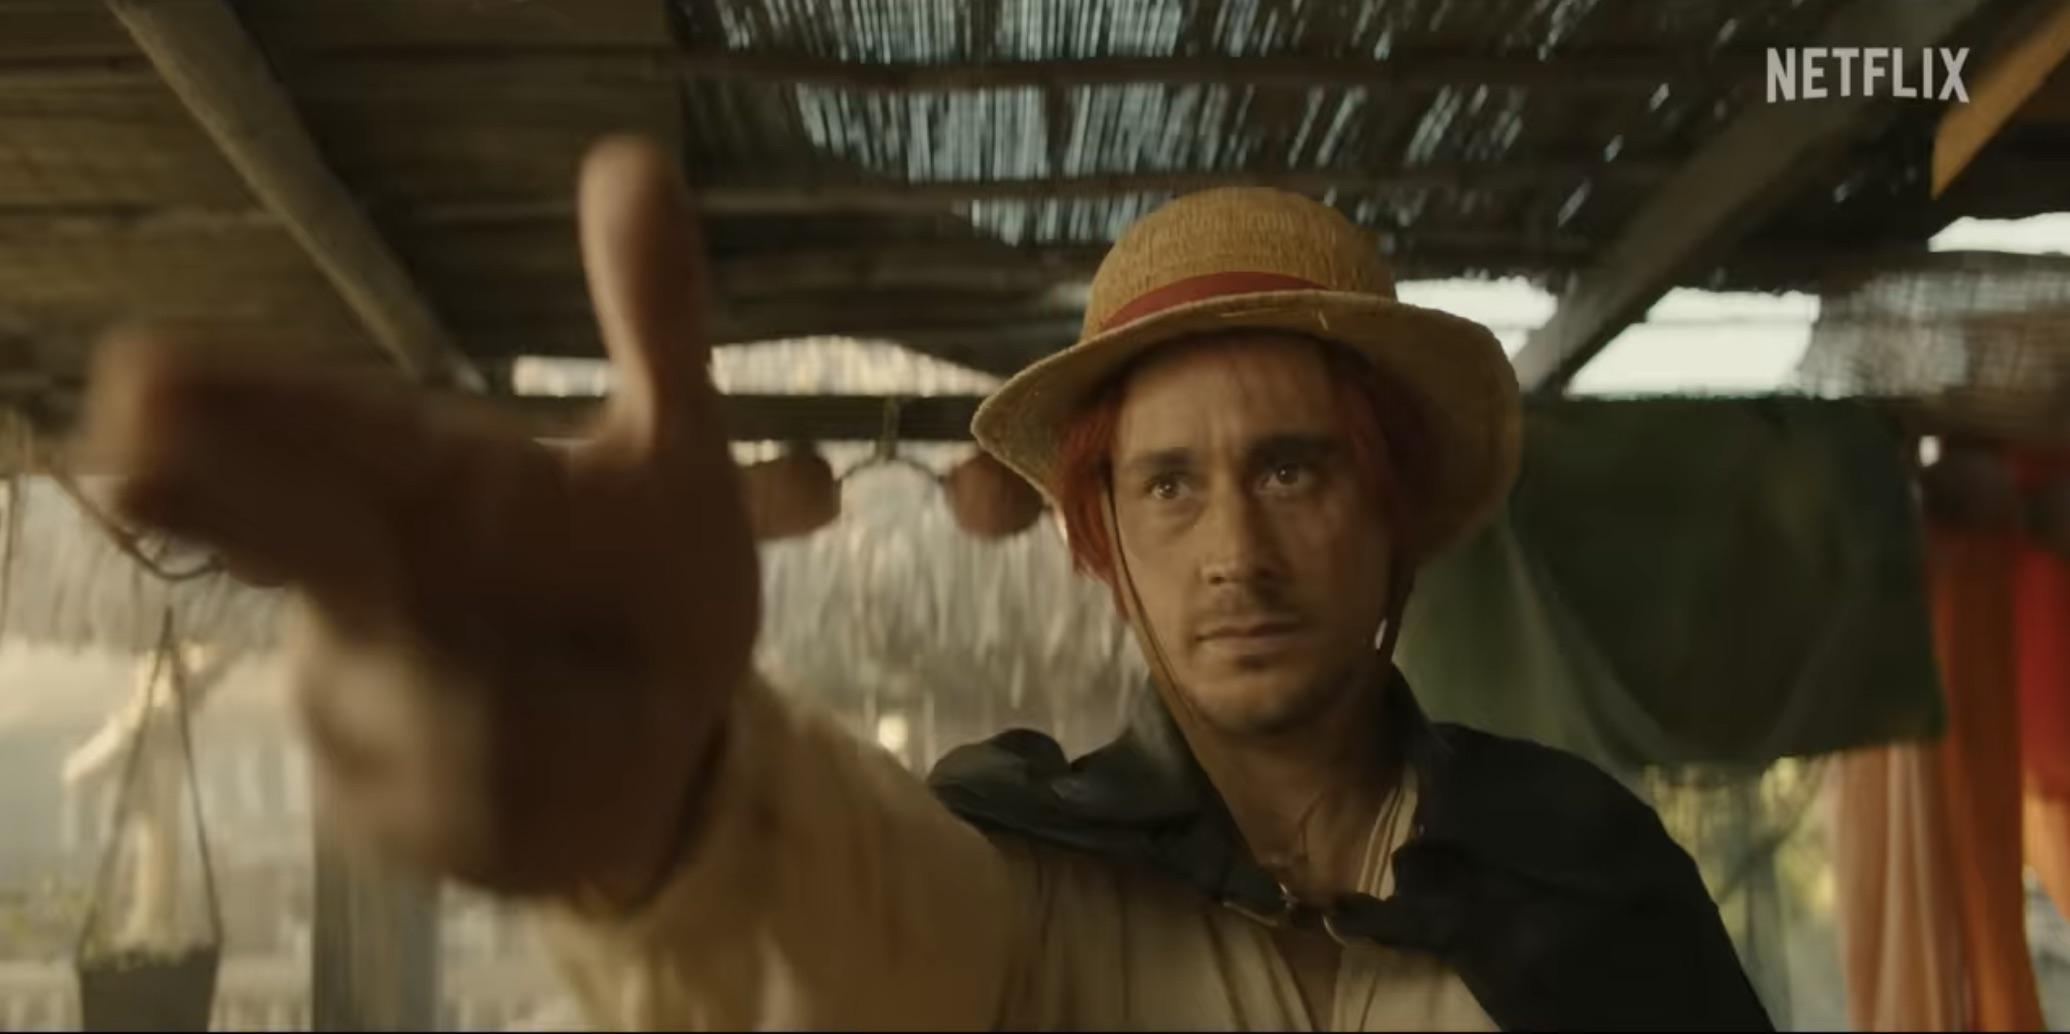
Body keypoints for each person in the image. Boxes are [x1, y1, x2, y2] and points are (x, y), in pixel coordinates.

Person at [79, 136, 1770, 1031]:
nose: (1233, 552)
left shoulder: (1585, 874)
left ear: (1390, 511)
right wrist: (665, 800)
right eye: (1165, 484)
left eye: (1290, 469)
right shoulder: (1015, 882)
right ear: (1101, 537)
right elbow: (821, 904)